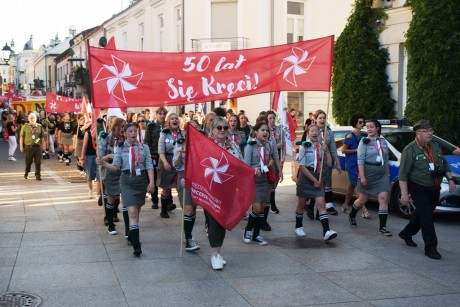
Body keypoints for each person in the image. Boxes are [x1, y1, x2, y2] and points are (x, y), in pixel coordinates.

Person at [398, 120, 456, 260]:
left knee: (422, 214)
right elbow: (403, 175)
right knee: (427, 218)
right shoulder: (410, 150)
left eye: (431, 131)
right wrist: (404, 194)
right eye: (426, 131)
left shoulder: (435, 146)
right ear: (418, 134)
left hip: (434, 187)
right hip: (418, 187)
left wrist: (450, 179)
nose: (430, 133)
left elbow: (444, 165)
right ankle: (431, 248)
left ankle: (406, 233)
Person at [97, 123, 154, 257]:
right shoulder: (120, 147)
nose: (133, 133)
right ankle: (137, 245)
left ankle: (131, 234)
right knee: (132, 212)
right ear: (126, 134)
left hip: (140, 181)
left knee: (136, 212)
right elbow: (116, 167)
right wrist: (104, 164)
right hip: (127, 180)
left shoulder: (144, 147)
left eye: (135, 131)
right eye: (130, 131)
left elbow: (149, 165)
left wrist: (151, 182)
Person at [207, 117, 244, 269]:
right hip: (211, 188)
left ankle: (218, 252)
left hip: (228, 190)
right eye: (219, 128)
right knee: (214, 221)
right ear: (213, 130)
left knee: (222, 221)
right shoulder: (207, 146)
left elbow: (241, 164)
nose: (222, 130)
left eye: (225, 128)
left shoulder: (234, 147)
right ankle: (214, 255)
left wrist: (251, 172)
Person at [348, 119, 392, 236]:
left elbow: (386, 160)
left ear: (377, 128)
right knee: (362, 199)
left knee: (383, 199)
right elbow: (360, 160)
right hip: (368, 172)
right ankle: (352, 215)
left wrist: (387, 175)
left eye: (371, 127)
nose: (368, 129)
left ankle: (383, 227)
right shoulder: (364, 141)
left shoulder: (383, 141)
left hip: (381, 173)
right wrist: (362, 177)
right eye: (367, 127)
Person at [294, 124, 337, 241]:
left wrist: (327, 151)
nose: (314, 133)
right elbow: (302, 166)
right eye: (312, 131)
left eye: (316, 131)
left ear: (319, 133)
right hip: (306, 177)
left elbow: (329, 164)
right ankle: (298, 226)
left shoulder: (322, 146)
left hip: (318, 176)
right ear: (308, 134)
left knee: (321, 204)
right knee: (302, 204)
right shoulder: (305, 146)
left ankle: (326, 231)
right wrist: (314, 181)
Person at [242, 121, 278, 246]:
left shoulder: (269, 145)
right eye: (262, 130)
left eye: (267, 130)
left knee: (262, 208)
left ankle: (256, 234)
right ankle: (247, 230)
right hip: (254, 181)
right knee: (256, 208)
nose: (265, 132)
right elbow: (246, 165)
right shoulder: (250, 146)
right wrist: (253, 170)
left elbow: (272, 158)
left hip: (265, 180)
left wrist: (271, 162)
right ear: (256, 132)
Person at [98, 117, 126, 234]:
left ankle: (128, 228)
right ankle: (110, 224)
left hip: (123, 171)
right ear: (115, 127)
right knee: (111, 198)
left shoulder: (127, 139)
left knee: (124, 199)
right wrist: (109, 156)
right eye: (122, 126)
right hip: (110, 171)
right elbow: (100, 158)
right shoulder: (106, 138)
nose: (124, 129)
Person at [341, 115, 371, 218]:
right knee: (357, 185)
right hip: (352, 164)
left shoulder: (362, 135)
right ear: (355, 123)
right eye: (360, 122)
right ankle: (363, 210)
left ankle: (345, 204)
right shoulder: (350, 136)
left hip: (361, 164)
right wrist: (356, 150)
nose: (362, 124)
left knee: (352, 185)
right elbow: (343, 150)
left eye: (363, 122)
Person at [314, 110, 342, 215]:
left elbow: (333, 149)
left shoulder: (329, 132)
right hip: (315, 161)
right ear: (315, 119)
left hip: (327, 161)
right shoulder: (312, 130)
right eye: (320, 118)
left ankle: (329, 205)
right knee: (316, 183)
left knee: (327, 183)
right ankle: (313, 205)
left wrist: (338, 163)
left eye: (324, 118)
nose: (322, 120)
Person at [157, 113, 182, 218]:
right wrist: (165, 162)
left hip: (179, 160)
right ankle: (163, 210)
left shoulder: (182, 134)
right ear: (169, 121)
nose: (174, 120)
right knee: (166, 187)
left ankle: (185, 207)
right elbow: (161, 150)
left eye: (176, 118)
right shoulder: (164, 133)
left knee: (180, 185)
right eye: (172, 119)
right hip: (166, 159)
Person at [145, 107, 168, 209]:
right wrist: (148, 154)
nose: (162, 116)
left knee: (166, 176)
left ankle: (168, 201)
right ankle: (155, 200)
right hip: (154, 154)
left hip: (165, 155)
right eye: (160, 114)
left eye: (164, 114)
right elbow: (147, 141)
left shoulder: (168, 126)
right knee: (154, 176)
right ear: (157, 115)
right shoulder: (151, 126)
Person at [266, 110, 284, 217]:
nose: (272, 120)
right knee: (270, 181)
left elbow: (284, 145)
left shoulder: (279, 130)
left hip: (278, 158)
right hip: (269, 159)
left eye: (273, 118)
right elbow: (270, 146)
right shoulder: (265, 130)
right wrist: (277, 146)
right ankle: (271, 203)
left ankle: (271, 200)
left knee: (276, 180)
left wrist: (283, 158)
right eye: (270, 118)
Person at [19, 112, 46, 180]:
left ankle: (38, 175)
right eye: (31, 118)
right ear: (28, 119)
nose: (32, 119)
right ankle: (26, 172)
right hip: (29, 147)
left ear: (36, 118)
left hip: (37, 147)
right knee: (28, 162)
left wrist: (44, 145)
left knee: (38, 162)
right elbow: (21, 137)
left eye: (33, 118)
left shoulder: (39, 126)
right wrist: (21, 146)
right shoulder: (25, 126)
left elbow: (42, 137)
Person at [79, 120, 98, 199]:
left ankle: (98, 193)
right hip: (89, 155)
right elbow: (84, 146)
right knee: (90, 175)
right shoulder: (88, 133)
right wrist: (82, 158)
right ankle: (90, 190)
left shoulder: (101, 132)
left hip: (98, 156)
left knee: (99, 175)